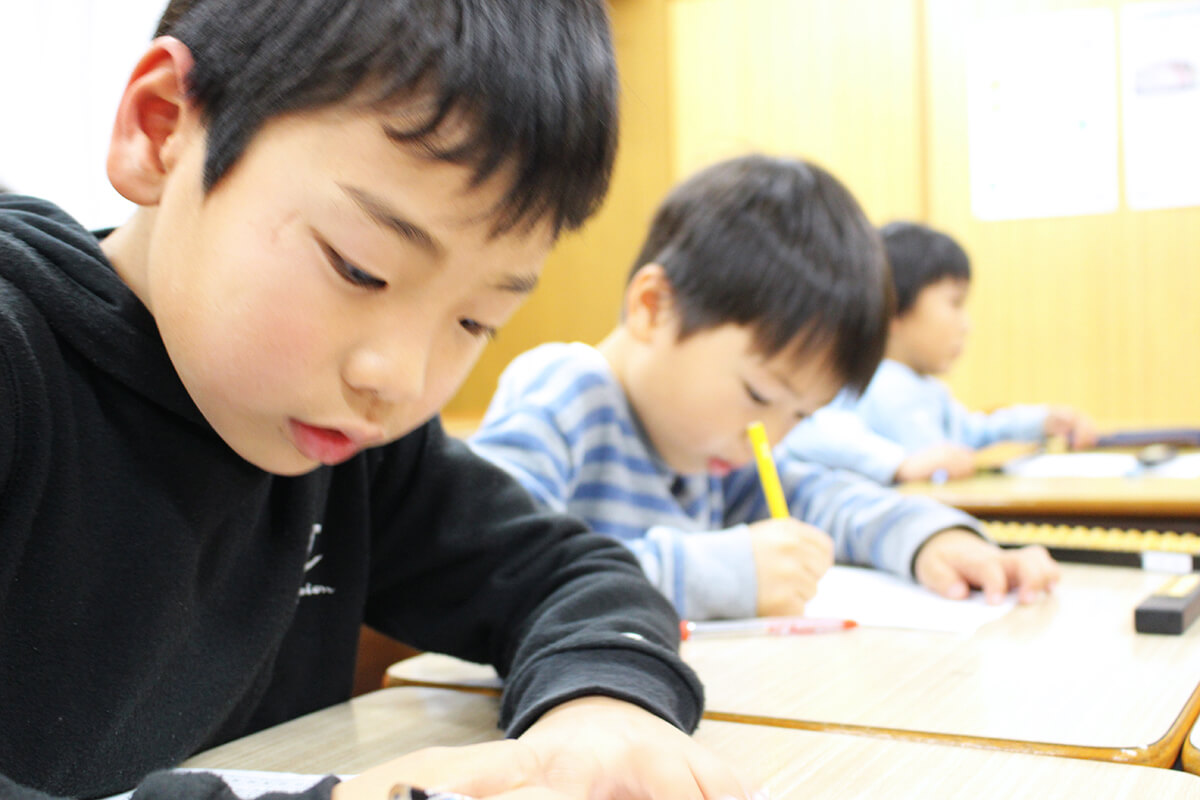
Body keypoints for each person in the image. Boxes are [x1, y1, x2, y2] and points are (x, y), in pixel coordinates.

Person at [0, 2, 756, 799]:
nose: (399, 380)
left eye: (475, 320)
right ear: (161, 129)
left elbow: (571, 573)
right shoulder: (22, 370)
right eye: (360, 268)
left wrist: (604, 707)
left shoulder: (351, 446)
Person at [468, 156, 1059, 626]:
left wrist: (932, 538)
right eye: (758, 393)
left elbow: (823, 497)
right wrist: (712, 573)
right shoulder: (564, 393)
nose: (769, 437)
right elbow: (490, 567)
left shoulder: (716, 453)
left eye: (801, 414)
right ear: (653, 308)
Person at [783, 221, 1098, 485]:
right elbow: (812, 430)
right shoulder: (869, 383)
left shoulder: (926, 389)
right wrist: (900, 463)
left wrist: (1041, 421)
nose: (966, 326)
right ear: (892, 309)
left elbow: (971, 432)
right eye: (954, 304)